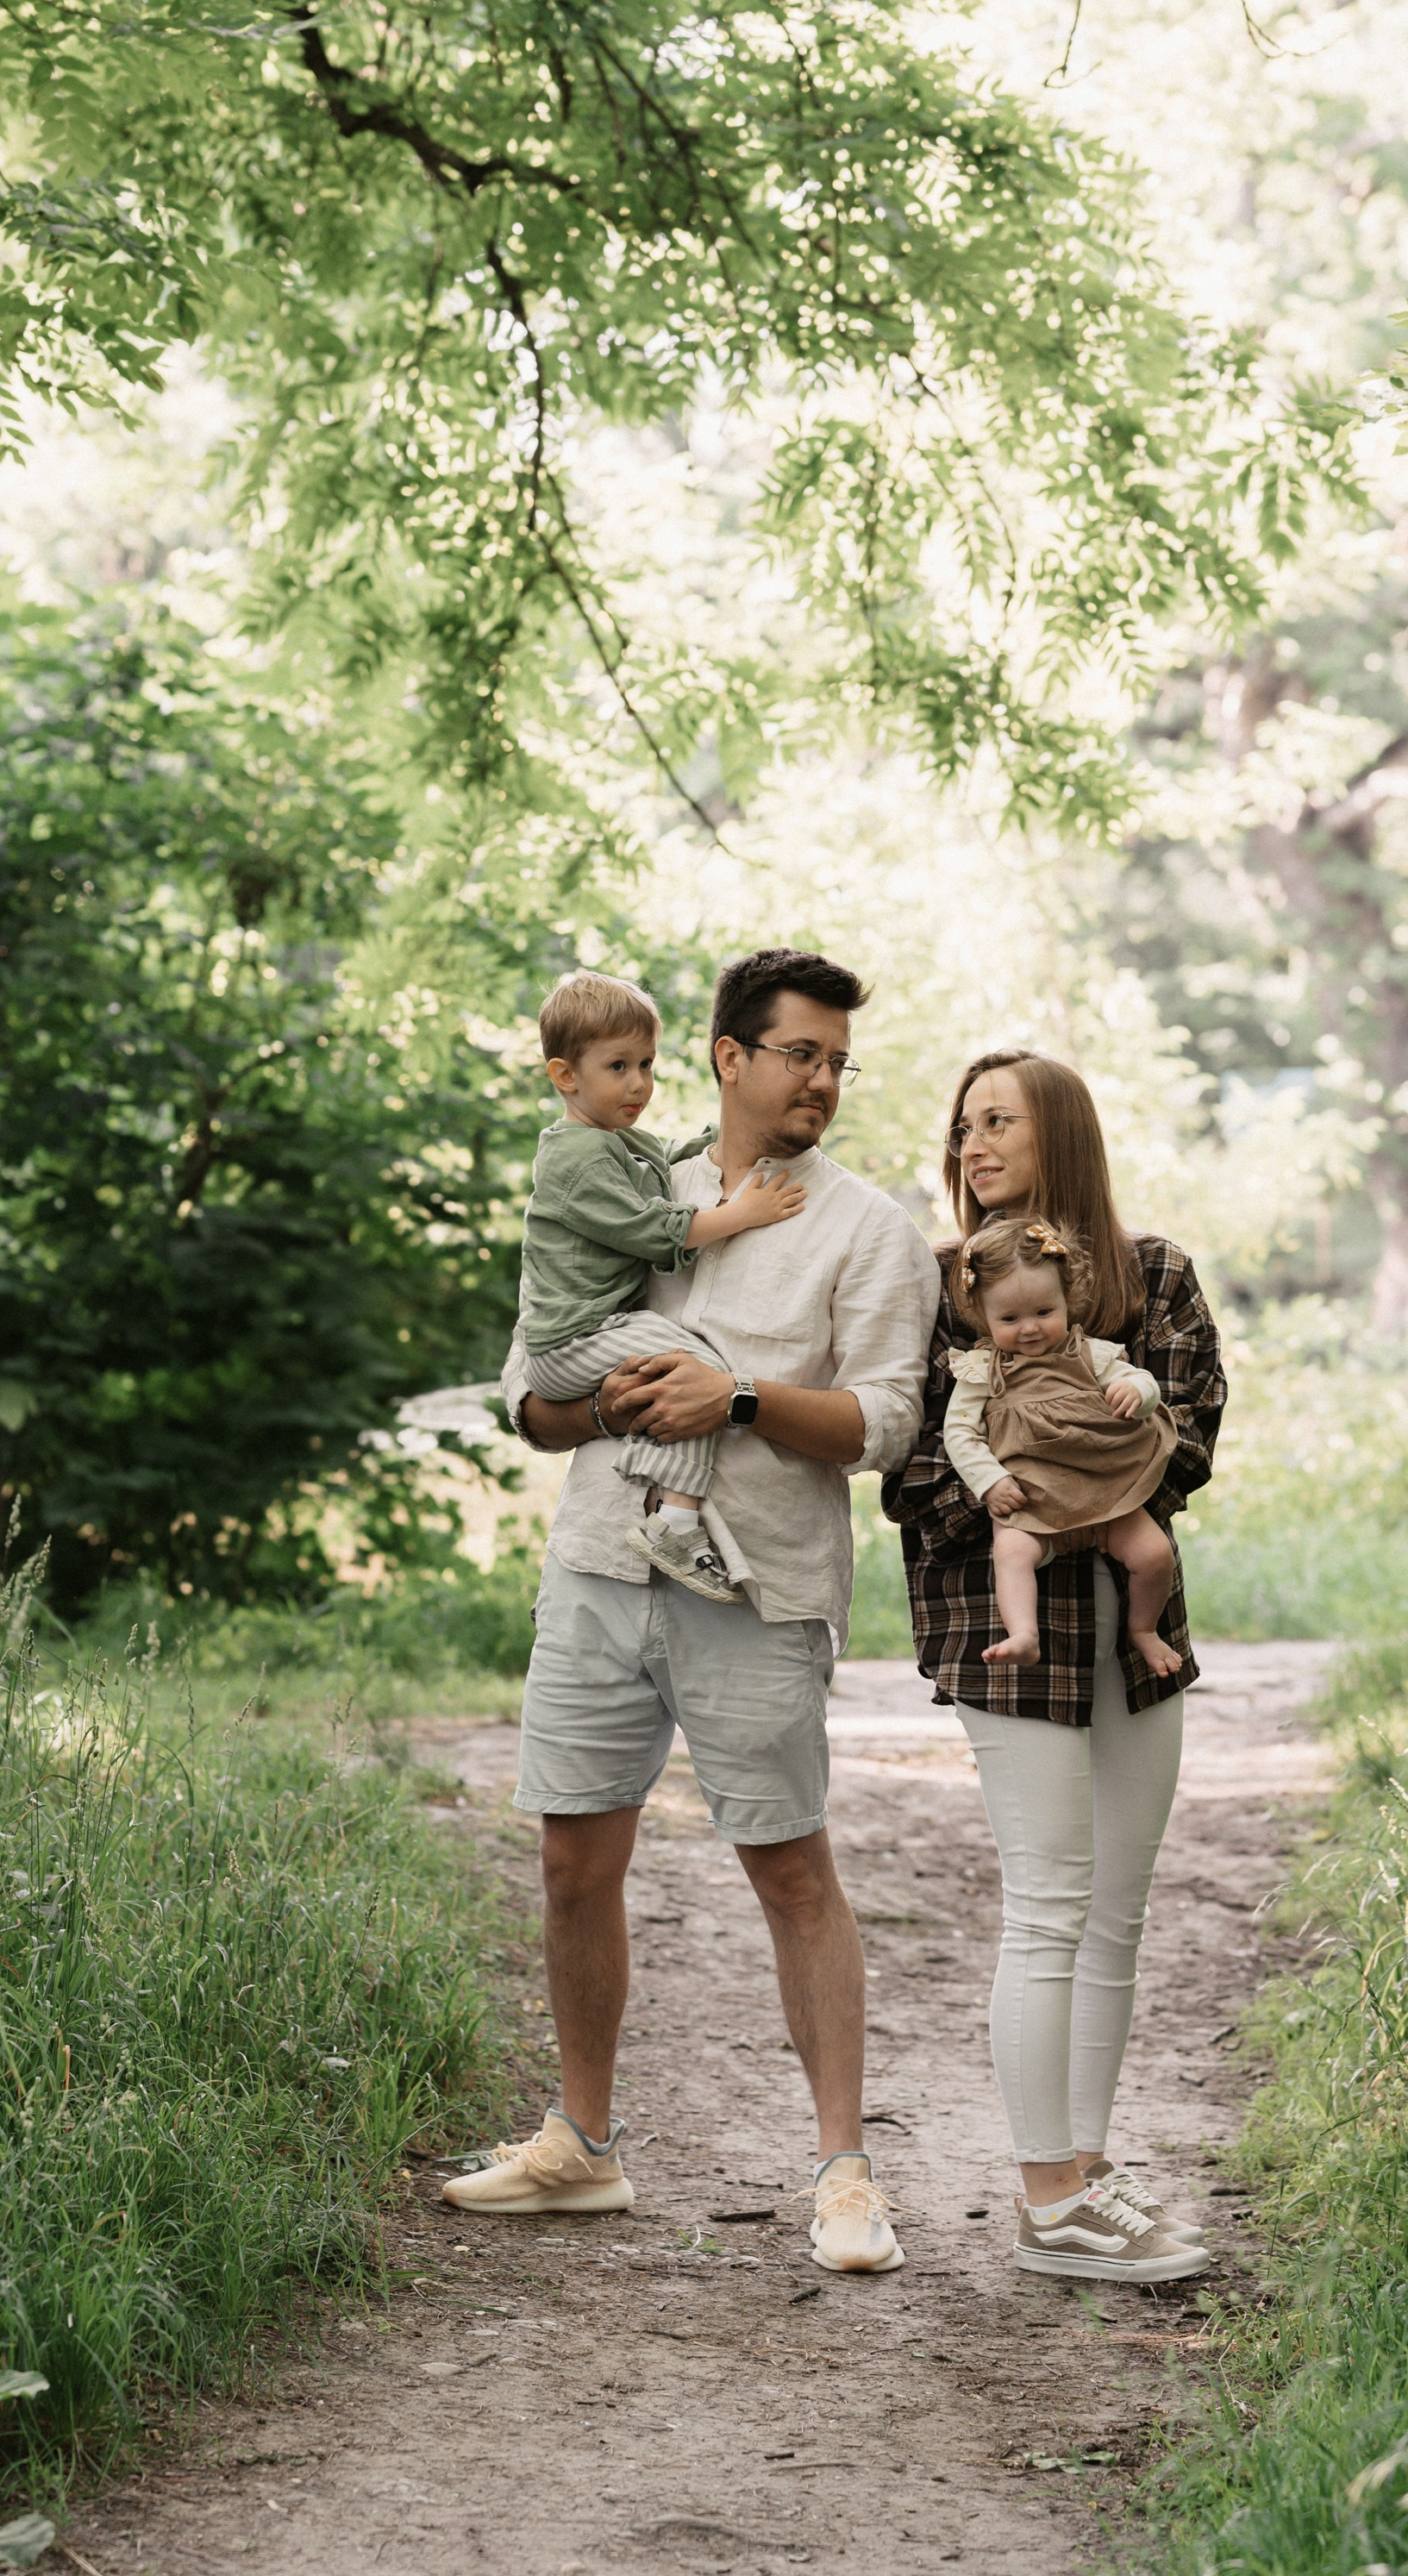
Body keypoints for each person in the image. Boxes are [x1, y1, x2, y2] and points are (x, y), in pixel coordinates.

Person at [444, 947, 940, 2278]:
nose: (824, 1081)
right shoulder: (615, 1179)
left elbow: (886, 1427)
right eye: (802, 1055)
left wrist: (734, 1401)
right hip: (603, 1568)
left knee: (789, 1867)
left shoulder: (869, 1232)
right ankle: (581, 2146)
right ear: (730, 1057)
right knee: (569, 1862)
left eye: (839, 1062)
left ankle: (843, 2170)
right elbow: (534, 1400)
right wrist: (620, 1401)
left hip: (761, 1587)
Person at [883, 1049, 1226, 2286]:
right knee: (1049, 1905)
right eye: (960, 1123)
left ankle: (1088, 2176)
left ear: (1059, 1140)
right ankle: (1045, 2204)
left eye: (998, 1124)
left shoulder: (1158, 1277)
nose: (971, 1146)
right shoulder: (939, 1288)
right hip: (1004, 1625)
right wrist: (1064, 1475)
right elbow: (914, 1475)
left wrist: (1054, 1477)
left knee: (1116, 1918)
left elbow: (1187, 1445)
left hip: (1138, 1637)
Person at [515, 967, 808, 1606]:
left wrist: (727, 1140)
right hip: (570, 1340)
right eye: (617, 1067)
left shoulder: (616, 1141)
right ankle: (673, 1521)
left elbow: (667, 1157)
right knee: (694, 1369)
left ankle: (662, 1494)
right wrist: (739, 1215)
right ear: (565, 1076)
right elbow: (651, 1230)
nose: (639, 1084)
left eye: (646, 1064)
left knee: (689, 1369)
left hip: (596, 1331)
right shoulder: (574, 1157)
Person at [941, 1214, 1181, 1679]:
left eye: (1043, 1312)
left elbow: (1138, 1379)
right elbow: (961, 1433)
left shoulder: (1089, 1353)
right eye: (1009, 1318)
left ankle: (1144, 1629)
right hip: (1032, 1502)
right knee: (1011, 1554)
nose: (1029, 1329)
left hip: (1105, 1492)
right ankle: (1024, 1634)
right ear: (982, 1318)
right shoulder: (982, 1371)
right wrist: (989, 1480)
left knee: (1155, 1555)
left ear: (1068, 1300)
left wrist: (1138, 1390)